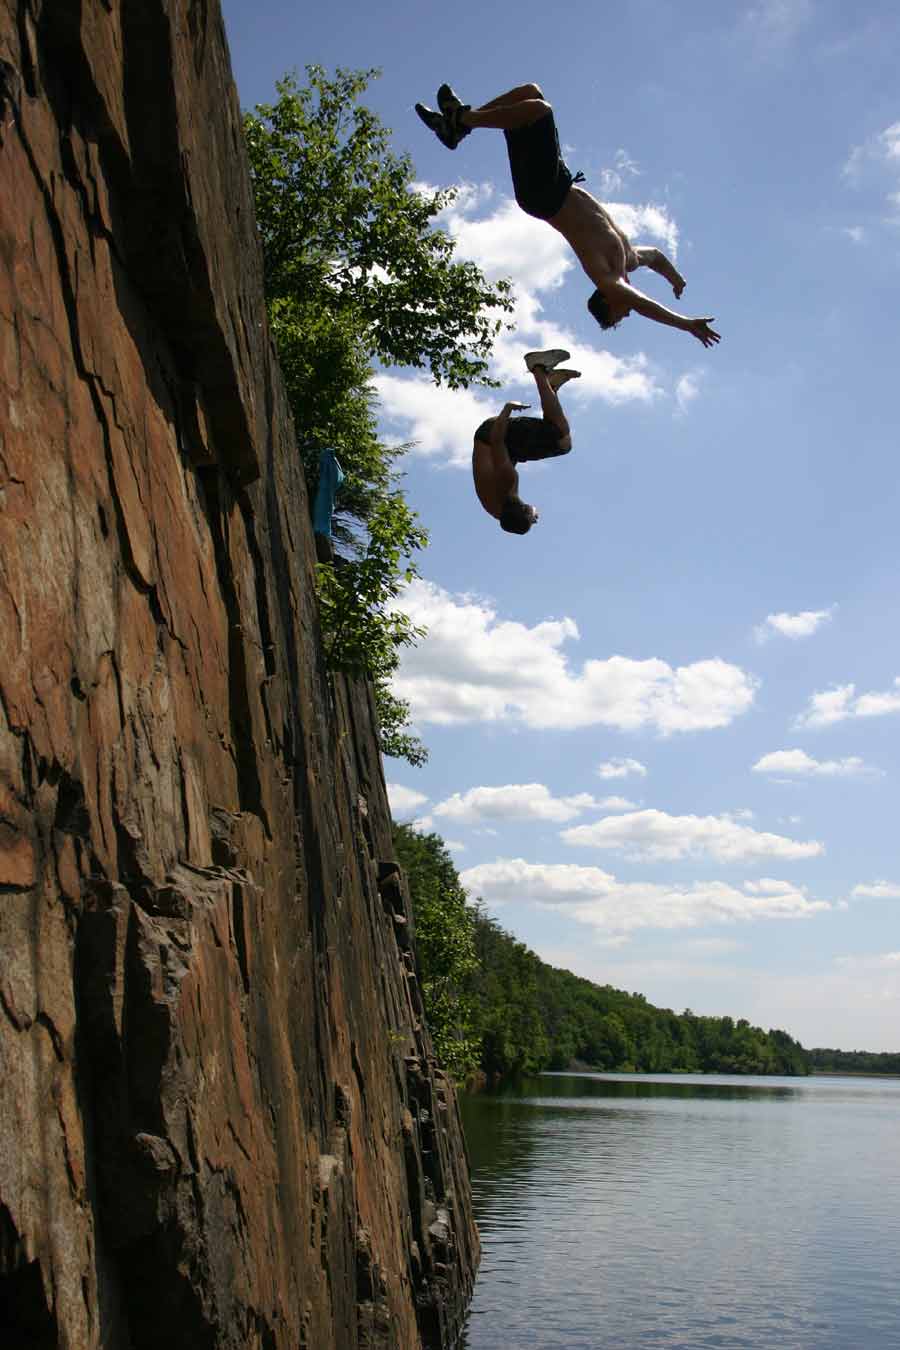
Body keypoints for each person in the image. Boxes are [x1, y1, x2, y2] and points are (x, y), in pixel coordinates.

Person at [416, 84, 721, 349]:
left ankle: (461, 121)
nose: (626, 314)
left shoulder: (605, 276)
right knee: (529, 95)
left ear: (607, 299)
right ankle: (459, 128)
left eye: (618, 316)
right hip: (556, 183)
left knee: (538, 110)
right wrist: (676, 279)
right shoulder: (628, 260)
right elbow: (654, 256)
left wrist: (685, 325)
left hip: (542, 195)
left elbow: (642, 305)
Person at [473, 349, 580, 536]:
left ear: (524, 510)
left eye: (533, 519)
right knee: (563, 445)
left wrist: (507, 410)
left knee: (558, 433)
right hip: (506, 447)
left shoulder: (507, 482)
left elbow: (497, 441)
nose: (536, 518)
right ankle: (551, 386)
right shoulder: (502, 512)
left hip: (494, 435)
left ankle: (538, 367)